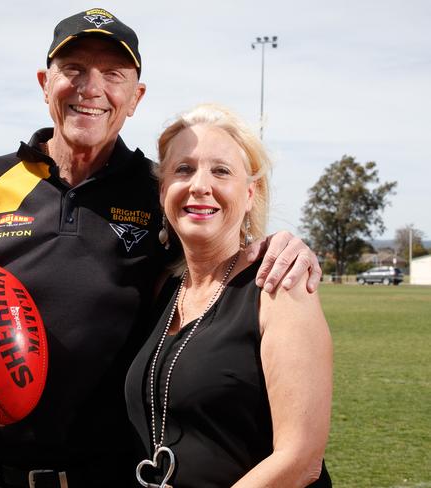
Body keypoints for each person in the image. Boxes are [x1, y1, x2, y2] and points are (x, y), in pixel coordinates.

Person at [0, 9, 323, 488]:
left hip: (113, 476)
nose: (91, 88)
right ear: (46, 82)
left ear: (135, 97)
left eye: (113, 74)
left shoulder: (158, 189)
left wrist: (287, 244)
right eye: (74, 70)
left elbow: (219, 242)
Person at [125, 103, 333, 487]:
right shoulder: (163, 289)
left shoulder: (279, 287)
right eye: (183, 169)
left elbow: (301, 459)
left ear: (250, 193)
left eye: (221, 171)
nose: (200, 185)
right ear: (162, 189)